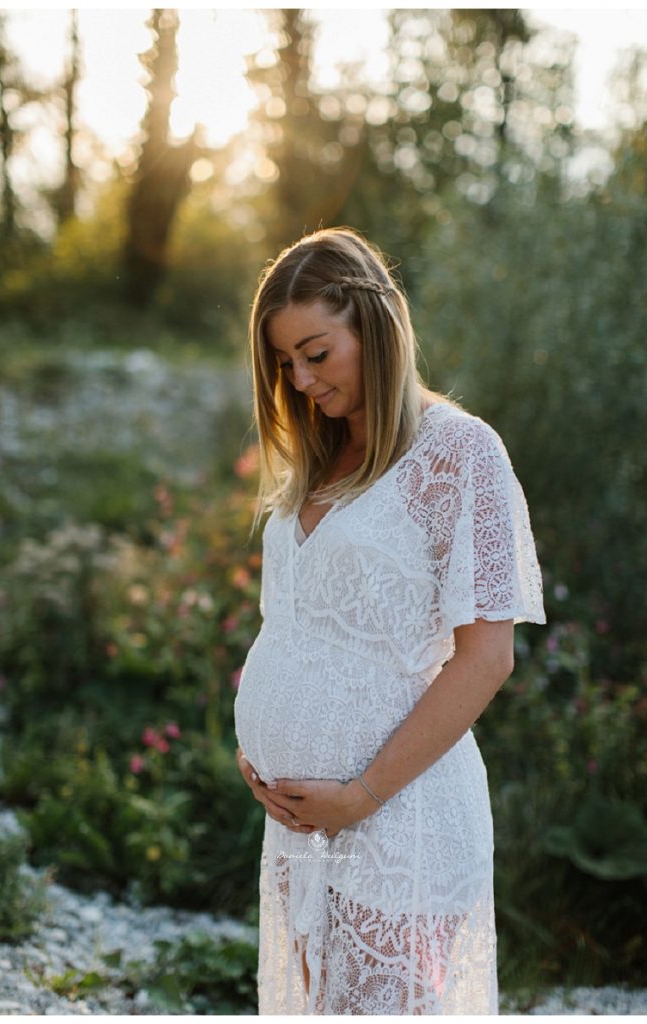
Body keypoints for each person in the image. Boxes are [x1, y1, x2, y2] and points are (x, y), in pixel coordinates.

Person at [233, 226, 546, 1015]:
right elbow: (297, 624)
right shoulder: (320, 451)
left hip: (397, 818)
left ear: (373, 325)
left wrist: (362, 794)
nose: (300, 379)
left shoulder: (460, 454)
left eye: (316, 352)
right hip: (303, 830)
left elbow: (487, 659)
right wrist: (261, 747)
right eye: (283, 363)